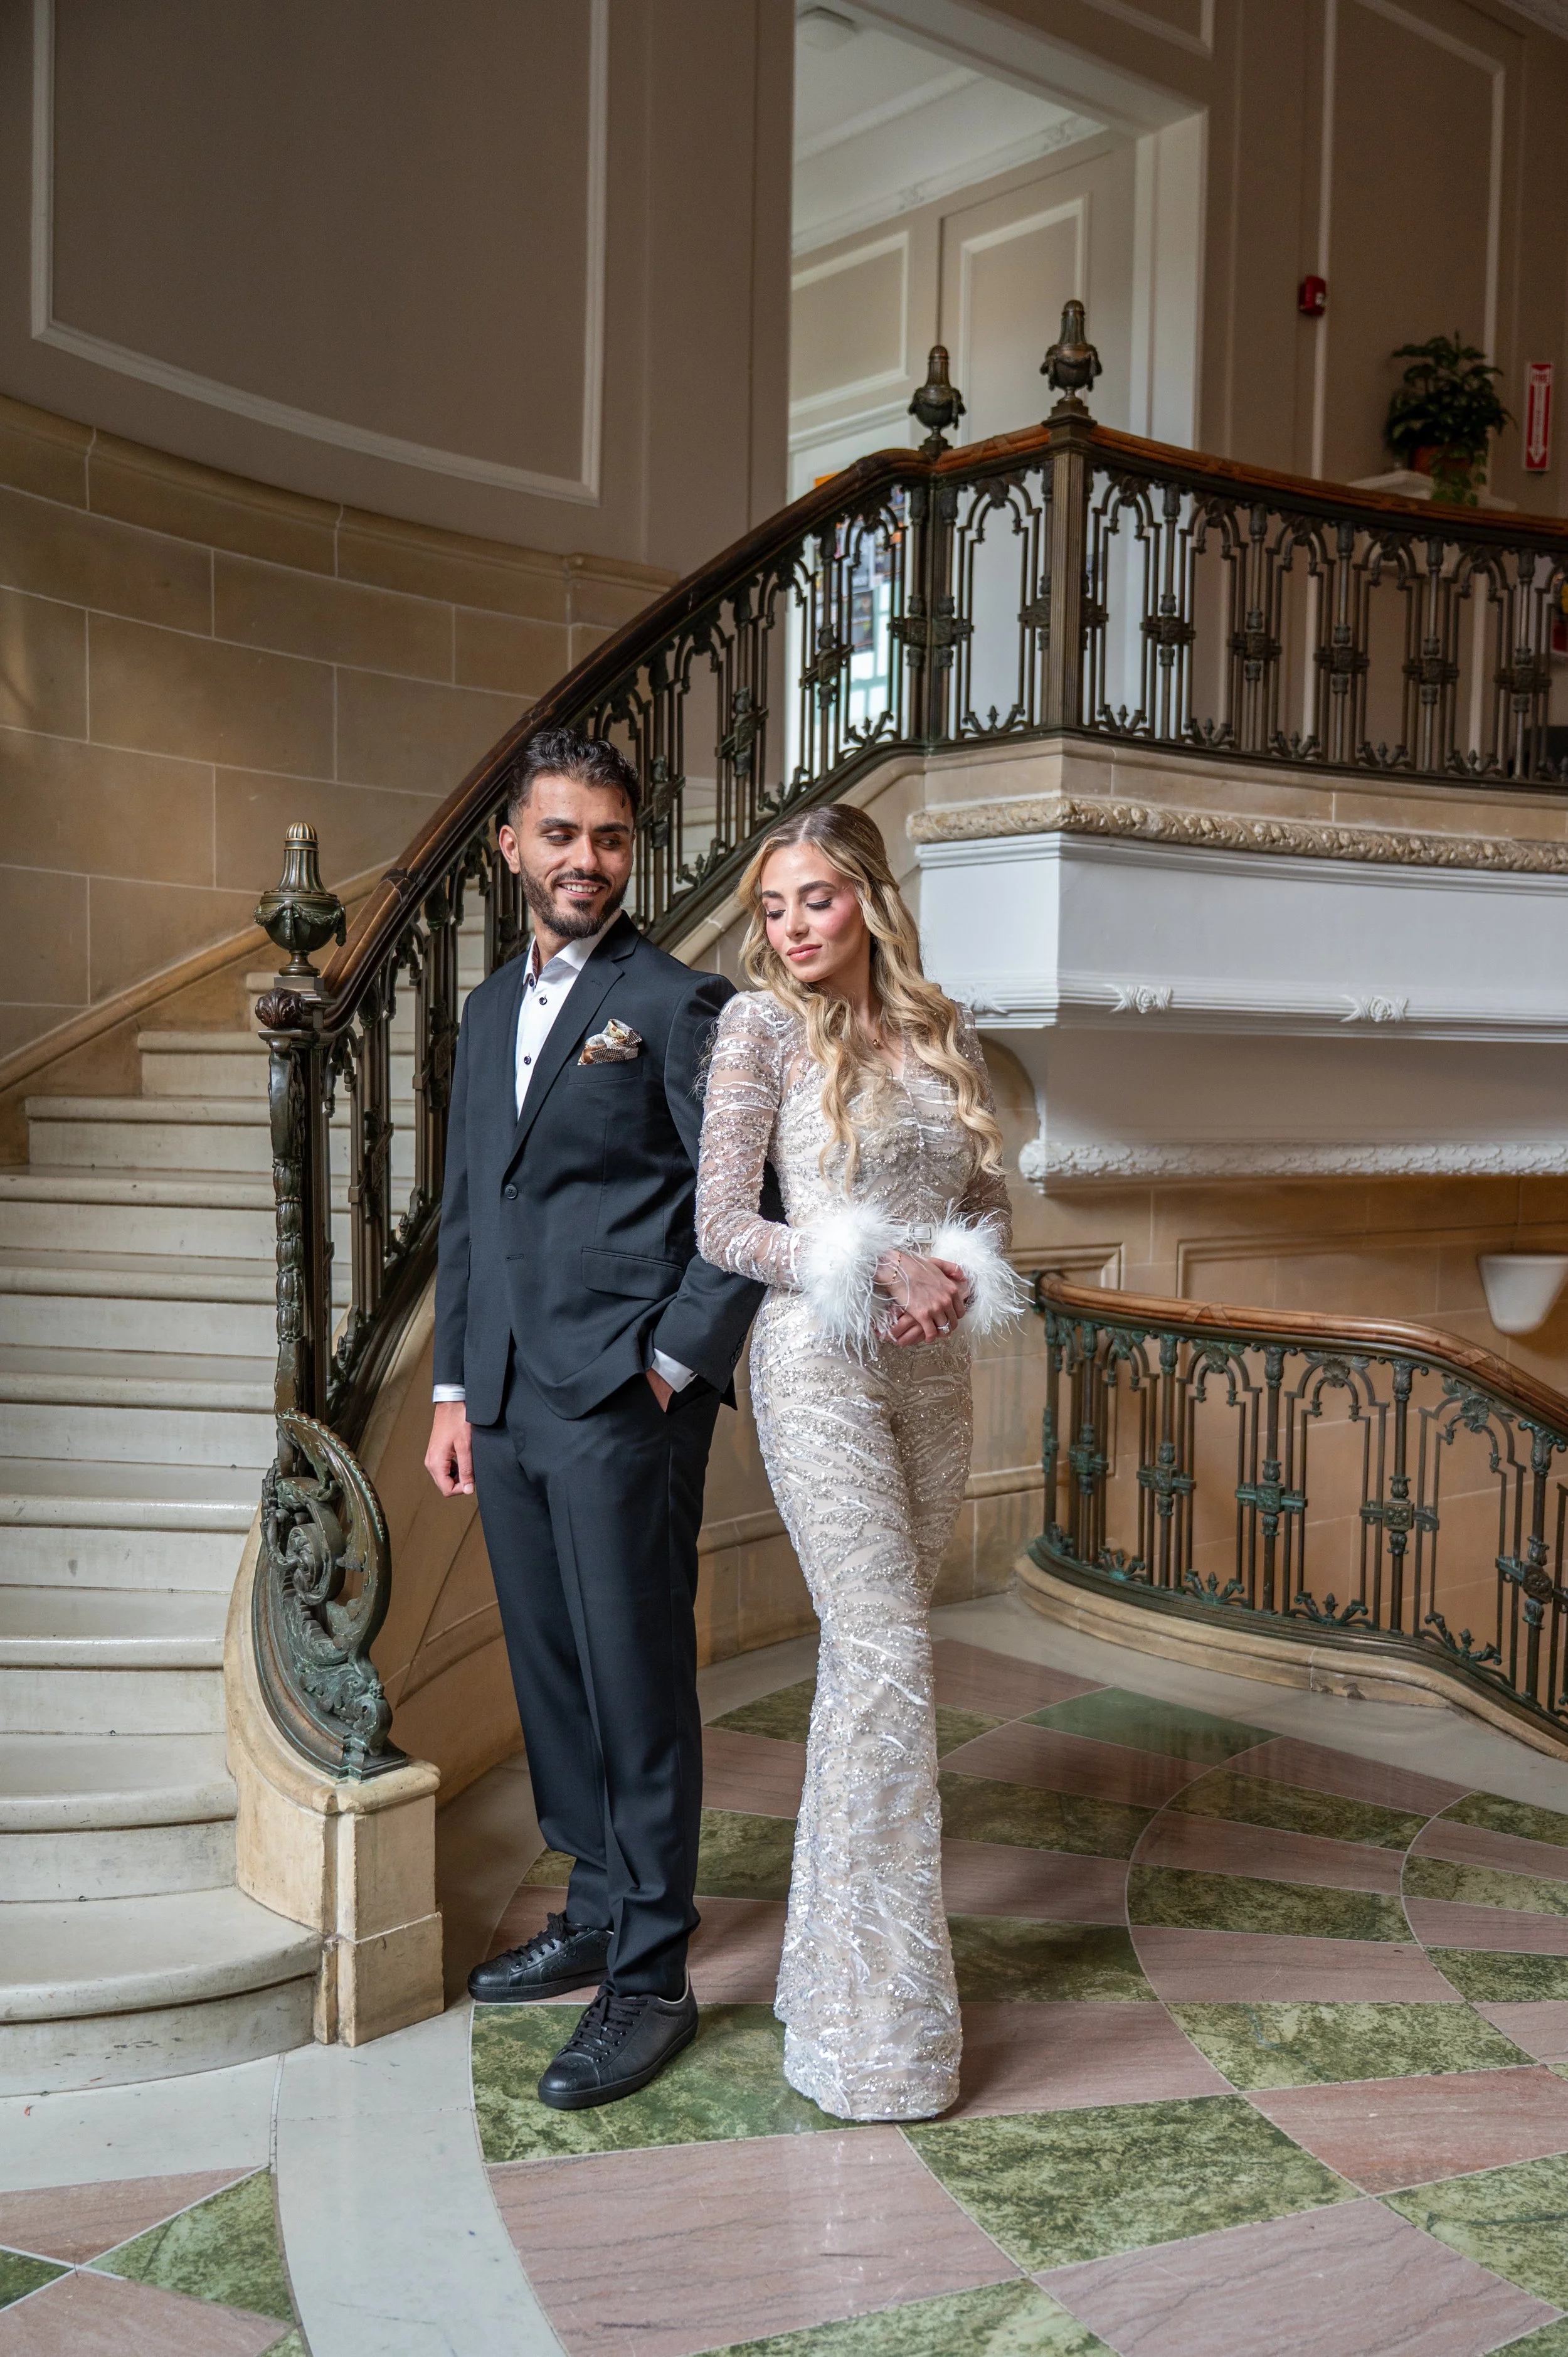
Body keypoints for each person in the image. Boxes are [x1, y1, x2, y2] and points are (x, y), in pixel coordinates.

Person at [425, 726, 767, 2110]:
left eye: (609, 839)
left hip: (623, 1402)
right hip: (505, 1399)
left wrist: (671, 1366)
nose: (585, 861)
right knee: (554, 1677)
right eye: (560, 835)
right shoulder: (481, 1012)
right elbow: (468, 1207)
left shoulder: (680, 1002)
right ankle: (589, 1907)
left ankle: (650, 1977)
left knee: (634, 1690)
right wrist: (453, 1388)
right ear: (509, 845)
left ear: (633, 851)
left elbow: (746, 1211)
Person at [694, 802, 1020, 2122]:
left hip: (932, 1370)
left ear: (869, 900)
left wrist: (954, 1265)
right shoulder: (756, 1027)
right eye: (773, 908)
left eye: (815, 900)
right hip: (816, 1357)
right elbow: (723, 1223)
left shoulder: (942, 1032)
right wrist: (862, 1258)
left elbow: (989, 1203)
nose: (791, 929)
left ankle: (831, 1985)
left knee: (878, 1664)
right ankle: (871, 2029)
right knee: (882, 1653)